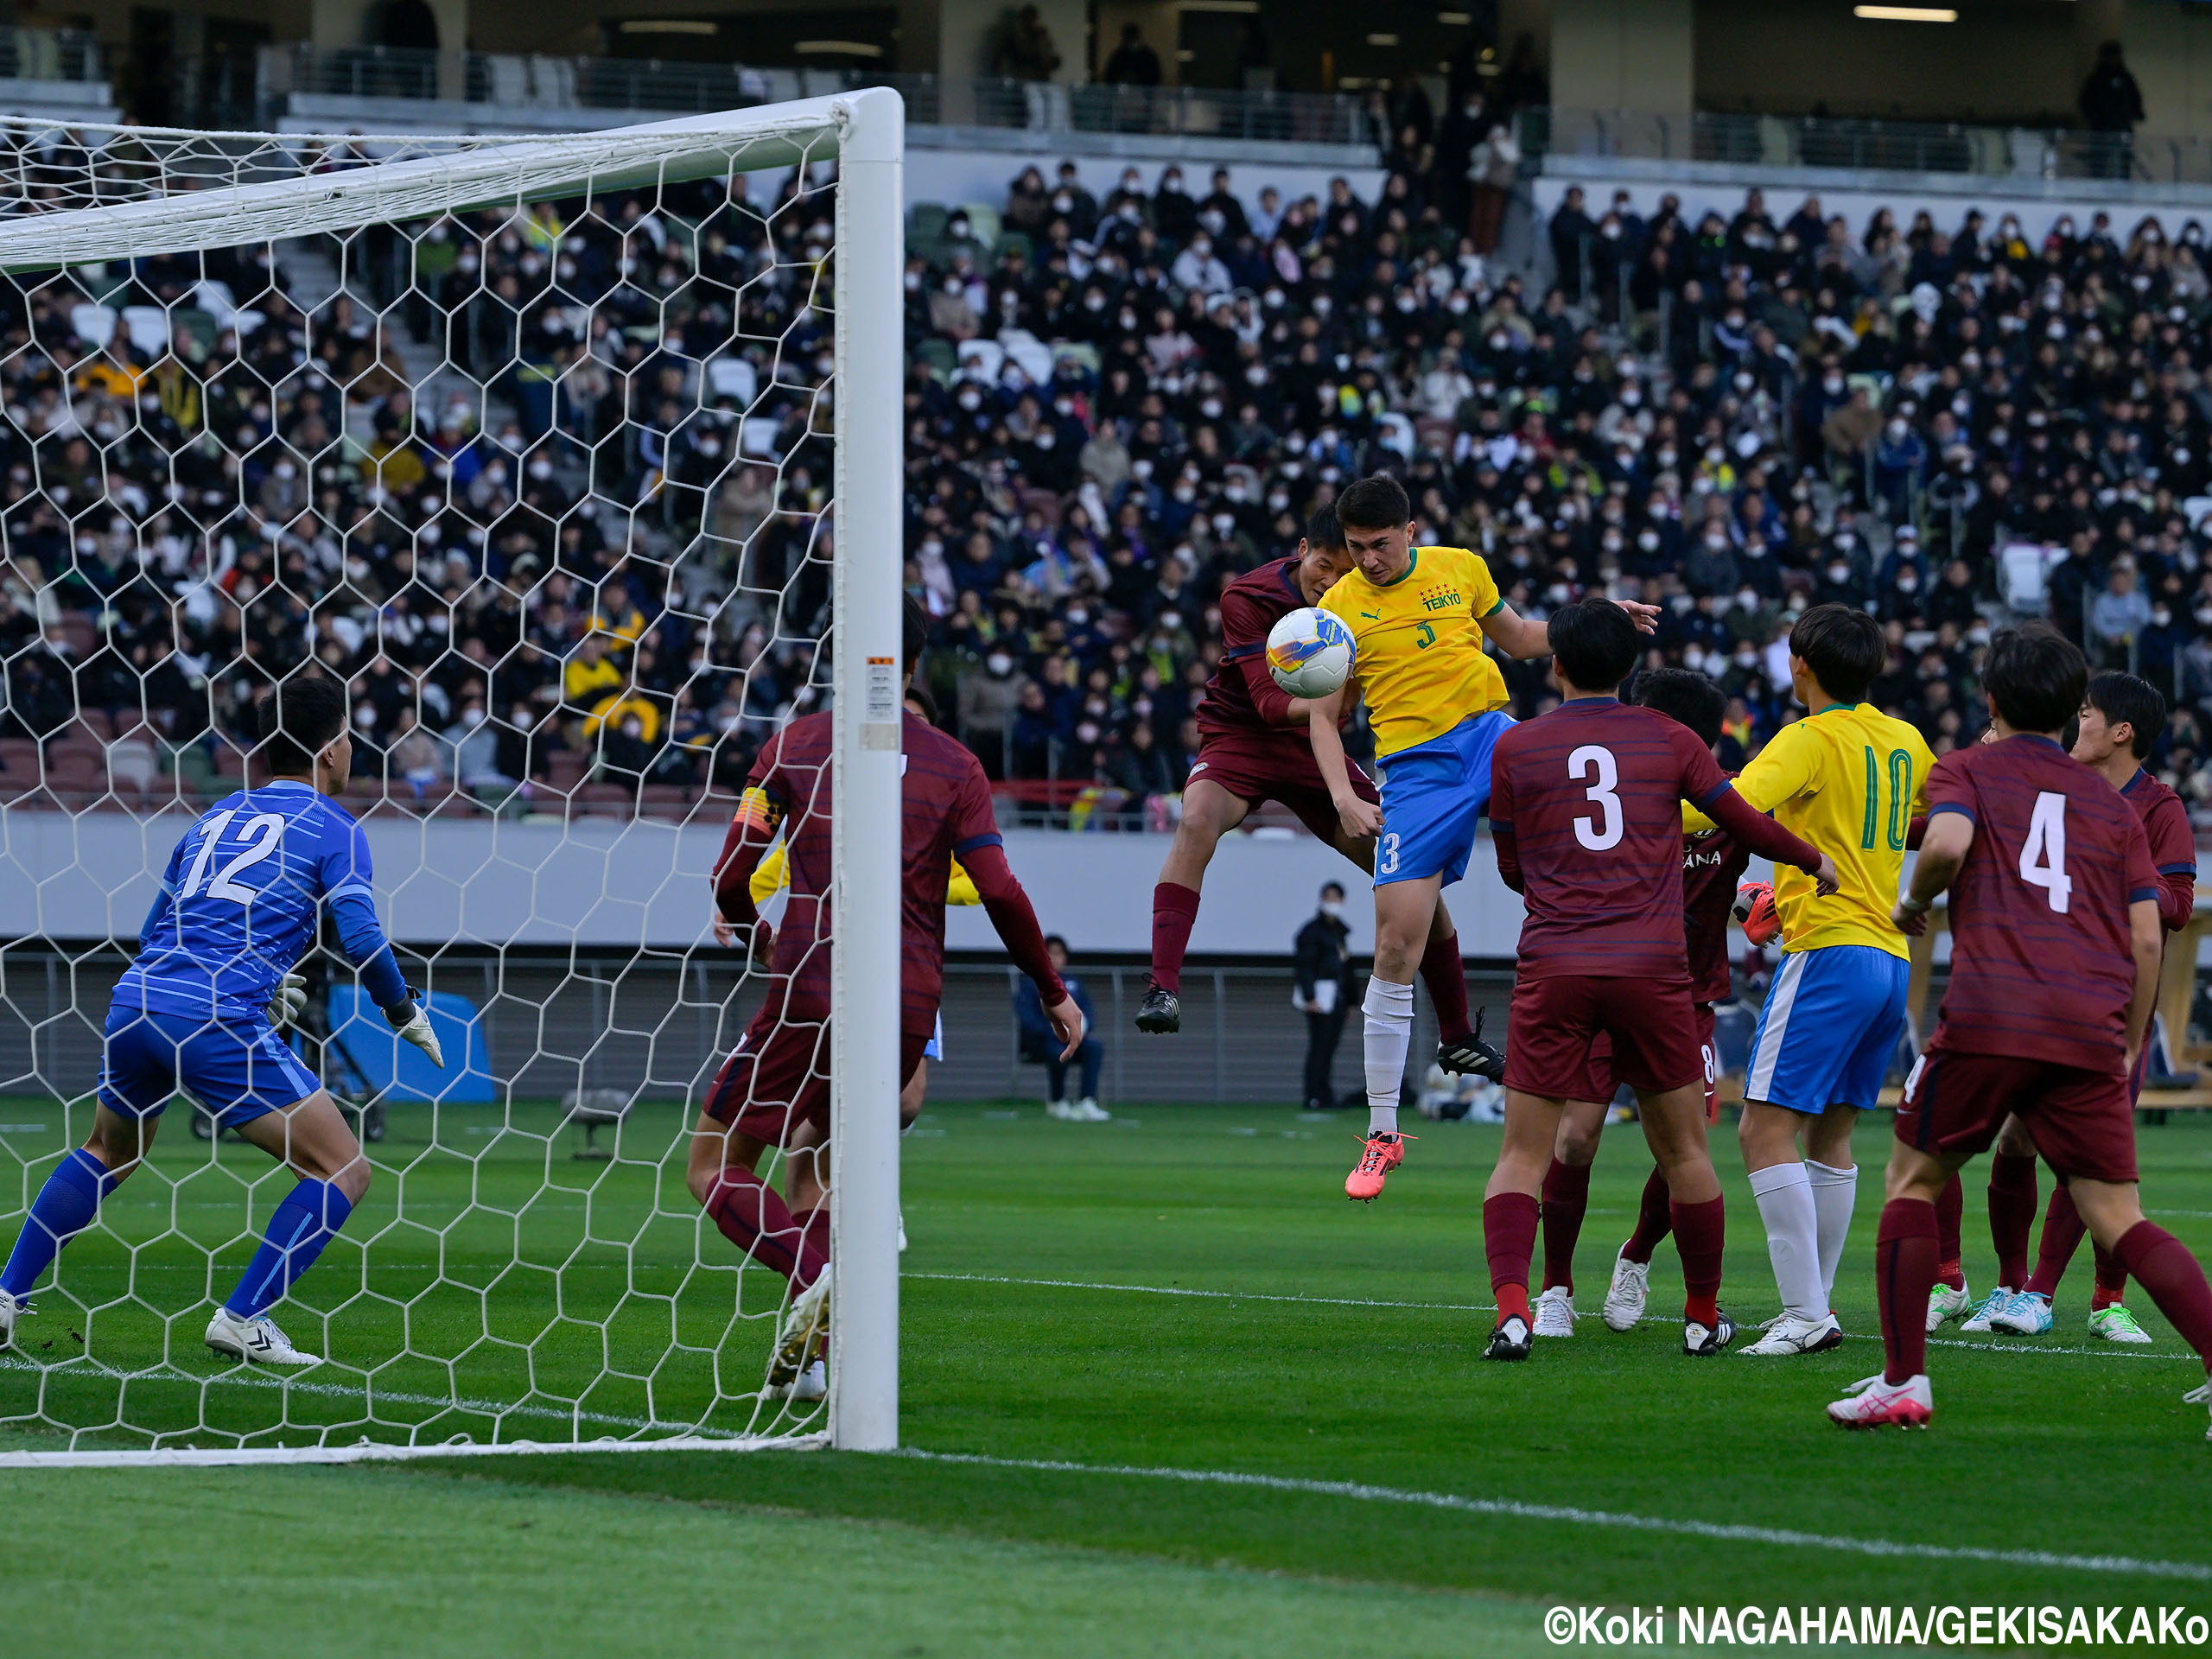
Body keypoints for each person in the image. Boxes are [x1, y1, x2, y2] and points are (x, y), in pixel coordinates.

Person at [690, 599, 1083, 1401]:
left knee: (712, 1166)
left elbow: (733, 871)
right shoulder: (956, 765)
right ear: (915, 662)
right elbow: (1002, 891)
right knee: (830, 1168)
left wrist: (745, 922)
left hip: (809, 979)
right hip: (907, 994)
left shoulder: (793, 746)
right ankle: (818, 1361)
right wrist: (1053, 989)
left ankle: (816, 1277)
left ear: (835, 655)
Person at [1832, 624, 2212, 1434]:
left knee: (1913, 1184)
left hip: (1991, 1012)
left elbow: (1946, 841)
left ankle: (1905, 1381)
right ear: (2071, 708)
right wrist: (2129, 1041)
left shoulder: (1967, 768)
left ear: (1992, 699)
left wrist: (1913, 902)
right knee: (2121, 1216)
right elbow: (2148, 938)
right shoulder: (2115, 811)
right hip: (2088, 1025)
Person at [0, 677, 445, 1365]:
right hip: (212, 1017)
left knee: (107, 1151)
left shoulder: (213, 818)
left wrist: (257, 980)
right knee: (342, 1170)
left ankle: (4, 1297)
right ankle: (244, 1319)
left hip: (137, 1000)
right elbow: (360, 937)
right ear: (332, 749)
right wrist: (402, 1008)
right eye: (349, 734)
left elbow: (158, 928)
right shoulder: (335, 828)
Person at [1478, 600, 1837, 1361]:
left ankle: (1515, 1312)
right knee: (1686, 1153)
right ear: (1629, 669)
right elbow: (1745, 821)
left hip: (1557, 961)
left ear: (1557, 664)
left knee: (1524, 1151)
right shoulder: (1673, 740)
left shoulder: (1517, 748)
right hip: (1653, 967)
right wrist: (1812, 861)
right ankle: (1702, 1318)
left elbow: (1512, 867)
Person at [1304, 474, 1656, 1205]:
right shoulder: (1337, 608)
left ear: (1410, 530)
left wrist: (1601, 623)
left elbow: (1524, 638)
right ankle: (1381, 1133)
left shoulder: (1459, 567)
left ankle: (1630, 972)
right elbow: (1322, 713)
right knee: (1395, 944)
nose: (1368, 561)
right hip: (1415, 774)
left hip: (1493, 739)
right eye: (1357, 549)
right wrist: (1343, 796)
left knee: (1593, 827)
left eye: (1379, 545)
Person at [1138, 505, 1489, 1097]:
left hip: (1314, 751)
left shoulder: (1364, 598)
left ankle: (1456, 1034)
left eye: (1344, 569)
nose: (1330, 581)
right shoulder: (1245, 597)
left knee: (1408, 874)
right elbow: (1269, 704)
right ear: (1303, 550)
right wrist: (1332, 702)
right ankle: (1162, 986)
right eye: (1323, 566)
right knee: (1196, 819)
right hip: (1240, 738)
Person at [1937, 671, 2196, 1342]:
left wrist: (2114, 878)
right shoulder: (2052, 789)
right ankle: (2013, 1285)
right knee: (2016, 1137)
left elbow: (2177, 906)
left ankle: (2094, 1298)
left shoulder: (2157, 808)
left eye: (2084, 713)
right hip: (2043, 990)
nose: (2072, 723)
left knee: (2098, 1162)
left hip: (2110, 1004)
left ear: (2121, 731)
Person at [1715, 604, 1936, 1357]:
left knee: (1761, 1128)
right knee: (1833, 1135)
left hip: (1829, 952)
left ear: (1799, 664)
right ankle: (1817, 1306)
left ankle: (1805, 1311)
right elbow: (1927, 821)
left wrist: (1658, 802)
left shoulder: (1807, 739)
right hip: (1890, 960)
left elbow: (1726, 804)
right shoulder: (1904, 738)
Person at [1522, 668, 1757, 1338]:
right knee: (1574, 1136)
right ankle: (1557, 1288)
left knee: (1683, 1150)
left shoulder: (1731, 805)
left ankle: (1637, 1256)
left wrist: (1758, 904)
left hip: (1690, 995)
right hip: (1606, 982)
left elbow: (1767, 864)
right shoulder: (1613, 798)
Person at [1018, 935, 1107, 1120]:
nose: (1055, 958)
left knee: (1094, 1048)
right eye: (1050, 953)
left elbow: (1087, 1013)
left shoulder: (1074, 984)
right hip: (1042, 1042)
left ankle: (1086, 1101)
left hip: (1073, 1039)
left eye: (1059, 953)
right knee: (1058, 1051)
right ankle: (1057, 1101)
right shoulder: (1030, 985)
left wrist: (1079, 1030)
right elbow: (1027, 1019)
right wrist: (1052, 1029)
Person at [1294, 883, 1356, 1112]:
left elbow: (1347, 968)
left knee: (1329, 1048)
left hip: (1336, 998)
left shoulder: (1339, 932)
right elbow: (1305, 965)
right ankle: (1314, 1095)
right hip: (1319, 998)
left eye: (1336, 897)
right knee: (1319, 1047)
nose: (1332, 902)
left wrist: (1351, 1000)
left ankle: (1325, 1094)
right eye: (1328, 897)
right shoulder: (1311, 932)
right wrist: (1309, 996)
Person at [1103, 22, 1161, 86]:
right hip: (1122, 93)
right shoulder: (1118, 56)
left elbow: (1155, 77)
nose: (1131, 40)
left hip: (1143, 92)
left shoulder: (1148, 56)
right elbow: (1109, 76)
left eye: (1132, 37)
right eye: (1129, 37)